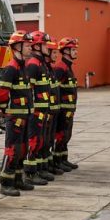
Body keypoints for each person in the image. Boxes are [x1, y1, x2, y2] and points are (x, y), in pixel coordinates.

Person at [0, 30, 33, 195]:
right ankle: (6, 183)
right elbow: (2, 92)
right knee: (12, 149)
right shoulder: (11, 68)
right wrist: (3, 110)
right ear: (17, 47)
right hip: (14, 117)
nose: (30, 48)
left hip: (25, 116)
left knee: (22, 149)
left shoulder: (23, 67)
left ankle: (18, 179)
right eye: (26, 45)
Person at [23, 30, 56, 187]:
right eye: (44, 44)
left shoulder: (42, 64)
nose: (46, 46)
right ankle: (29, 173)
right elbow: (29, 90)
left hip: (43, 111)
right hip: (36, 111)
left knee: (41, 140)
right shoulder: (33, 65)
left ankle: (39, 169)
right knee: (34, 140)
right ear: (36, 46)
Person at [51, 37, 80, 171]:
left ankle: (64, 159)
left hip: (69, 108)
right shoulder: (60, 68)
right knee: (61, 135)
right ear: (66, 51)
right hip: (62, 109)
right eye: (73, 50)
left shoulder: (68, 67)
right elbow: (54, 88)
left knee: (67, 135)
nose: (76, 52)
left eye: (75, 50)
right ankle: (57, 161)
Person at [41, 35, 65, 177]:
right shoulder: (44, 68)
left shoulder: (50, 69)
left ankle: (48, 166)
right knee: (42, 141)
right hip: (45, 111)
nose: (57, 55)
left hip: (53, 110)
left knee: (49, 140)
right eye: (54, 52)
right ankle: (41, 169)